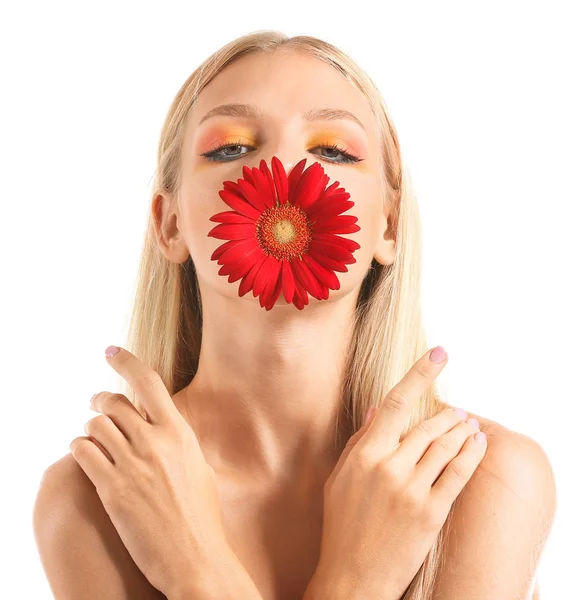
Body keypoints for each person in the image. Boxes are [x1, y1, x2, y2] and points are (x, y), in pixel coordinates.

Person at [33, 30, 556, 600]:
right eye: (230, 148)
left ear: (388, 225)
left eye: (333, 151)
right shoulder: (95, 500)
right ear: (170, 223)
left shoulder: (484, 478)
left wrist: (199, 575)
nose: (282, 167)